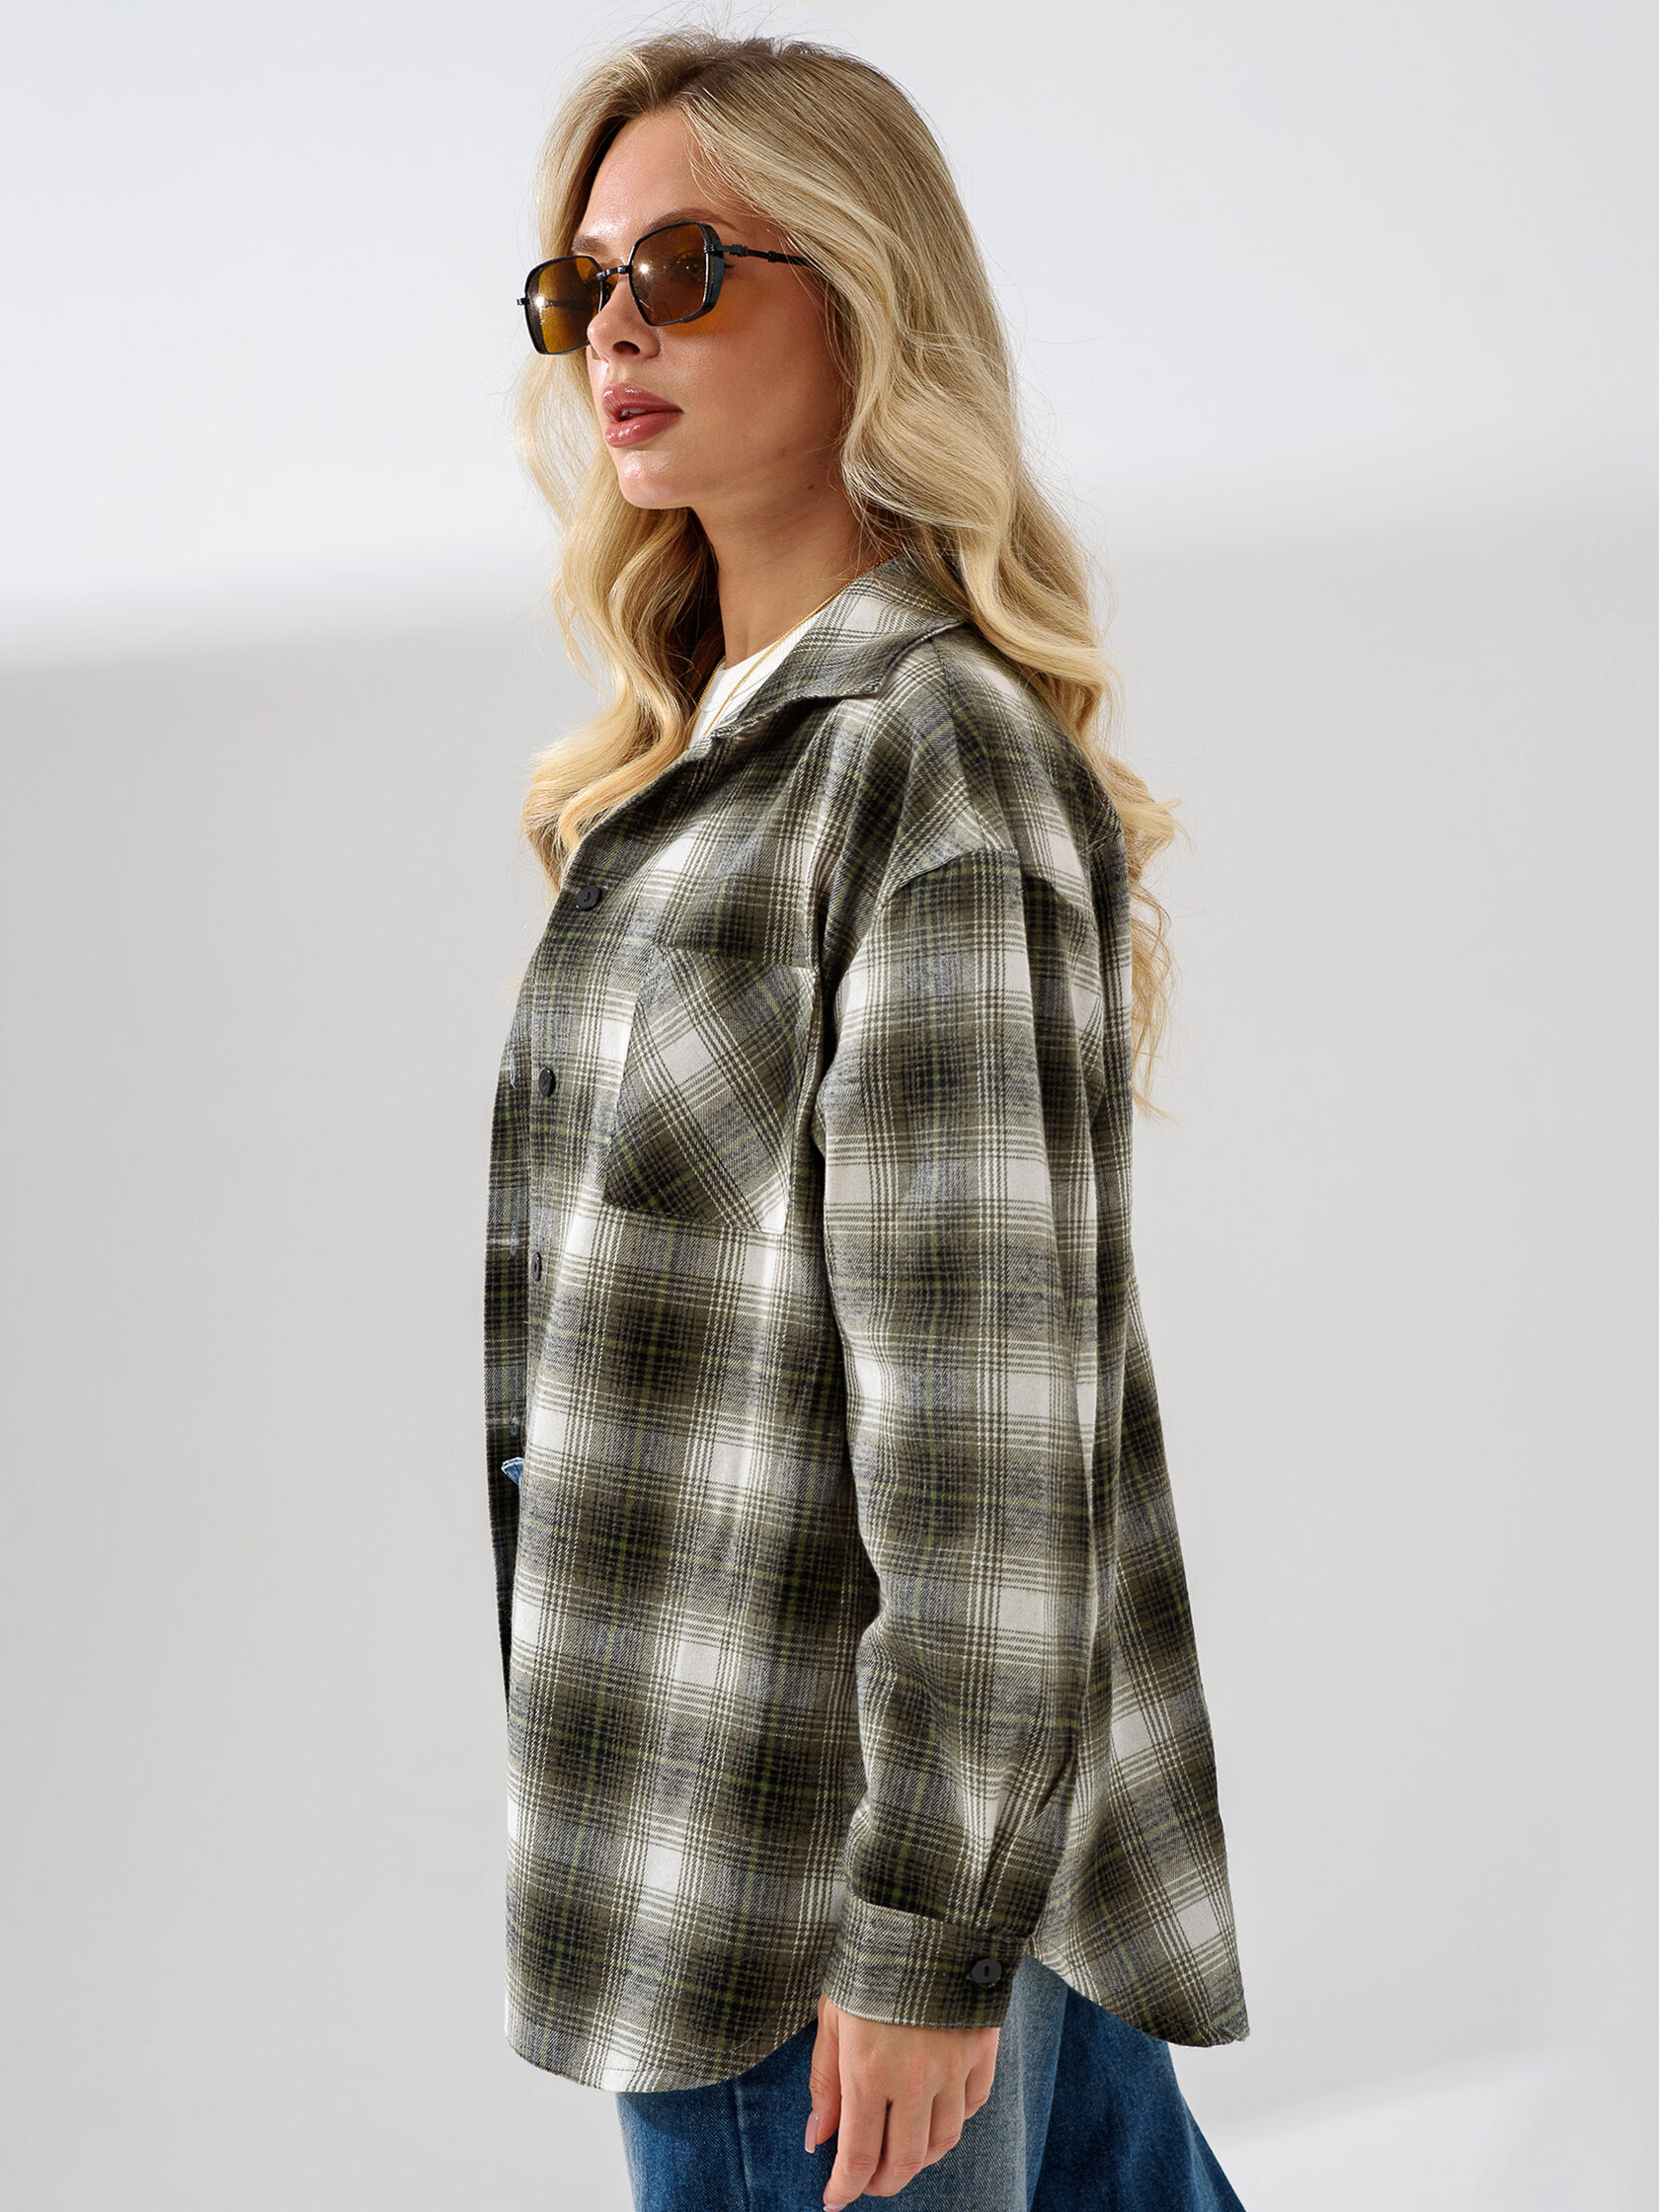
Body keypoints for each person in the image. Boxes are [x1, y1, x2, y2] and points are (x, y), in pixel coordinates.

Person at [486, 26, 1250, 2210]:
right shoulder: (709, 755)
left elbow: (986, 1413)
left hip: (811, 1901)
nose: (615, 330)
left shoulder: (923, 760)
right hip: (804, 1821)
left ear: (869, 300)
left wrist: (920, 1933)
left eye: (686, 268)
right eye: (581, 283)